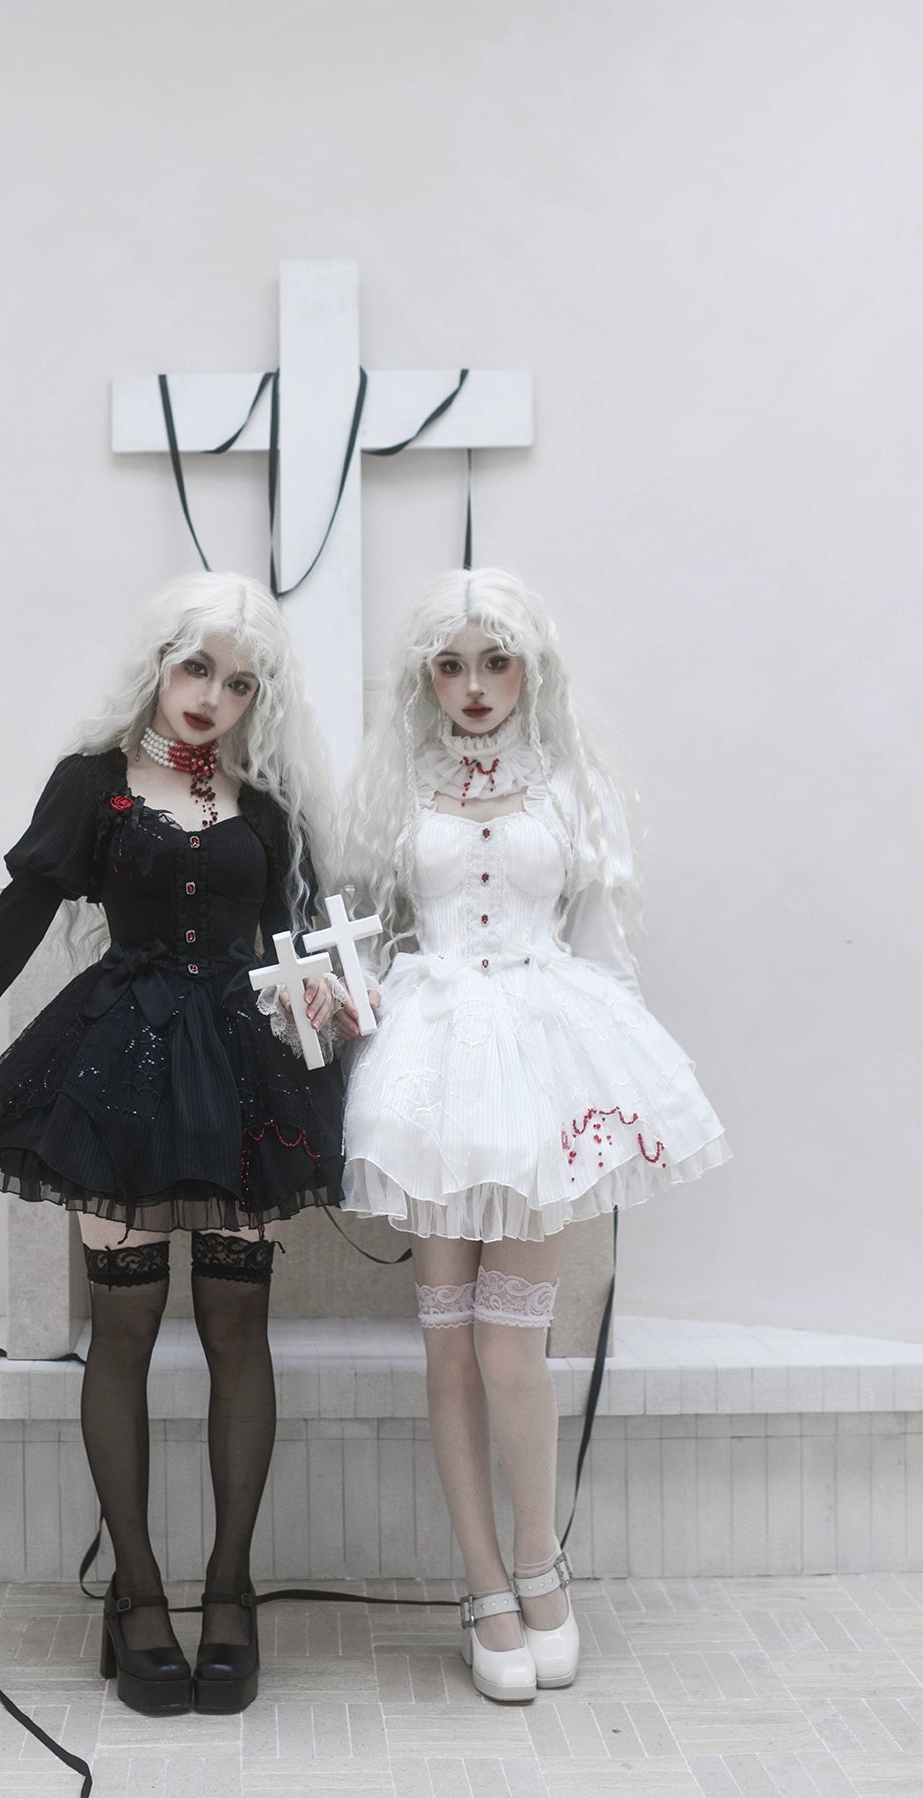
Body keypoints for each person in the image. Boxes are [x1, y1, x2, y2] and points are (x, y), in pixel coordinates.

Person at [0, 572, 346, 1717]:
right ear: (159, 663)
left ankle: (230, 1592)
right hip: (120, 1072)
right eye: (197, 667)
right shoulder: (91, 784)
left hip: (240, 1080)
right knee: (122, 1327)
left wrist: (329, 1000)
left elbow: (302, 950)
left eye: (240, 682)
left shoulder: (269, 809)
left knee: (238, 1327)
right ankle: (139, 1594)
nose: (212, 695)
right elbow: (16, 923)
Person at [338, 568, 729, 1702]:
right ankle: (483, 1584)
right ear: (426, 677)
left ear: (530, 669)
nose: (474, 685)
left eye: (495, 661)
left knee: (513, 1342)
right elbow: (364, 941)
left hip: (544, 1065)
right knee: (447, 1341)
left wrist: (624, 1093)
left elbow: (603, 950)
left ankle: (539, 1565)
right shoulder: (396, 788)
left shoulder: (570, 788)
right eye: (451, 665)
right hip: (432, 1066)